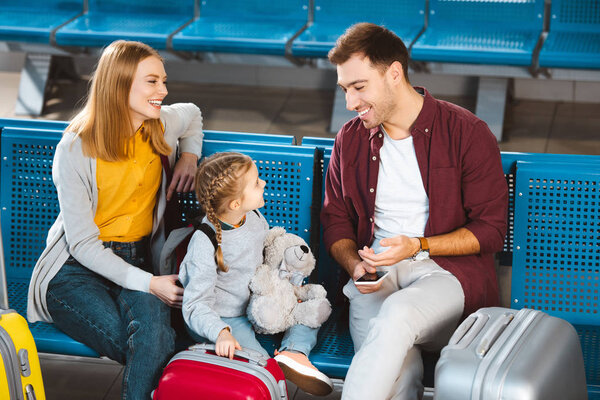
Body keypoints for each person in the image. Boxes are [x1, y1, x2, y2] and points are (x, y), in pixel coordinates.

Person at [321, 23, 508, 399]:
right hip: (377, 276)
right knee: (399, 377)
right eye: (345, 90)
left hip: (445, 277)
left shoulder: (466, 132)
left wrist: (418, 245)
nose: (350, 103)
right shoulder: (351, 138)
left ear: (394, 74)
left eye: (359, 88)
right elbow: (335, 218)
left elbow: (490, 230)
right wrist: (354, 265)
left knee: (397, 315)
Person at [26, 40, 203, 400]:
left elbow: (193, 113)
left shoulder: (160, 124)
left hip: (139, 260)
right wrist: (151, 284)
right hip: (74, 270)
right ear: (120, 85)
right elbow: (83, 245)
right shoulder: (76, 146)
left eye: (164, 81)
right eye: (152, 82)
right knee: (156, 346)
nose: (164, 91)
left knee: (154, 341)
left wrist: (189, 155)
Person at [179, 152, 334, 396]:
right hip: (225, 319)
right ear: (235, 204)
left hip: (259, 302)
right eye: (256, 182)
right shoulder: (204, 242)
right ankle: (275, 370)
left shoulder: (251, 216)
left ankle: (293, 352)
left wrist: (286, 279)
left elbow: (265, 253)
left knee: (311, 310)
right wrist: (220, 333)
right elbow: (195, 305)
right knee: (261, 370)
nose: (263, 183)